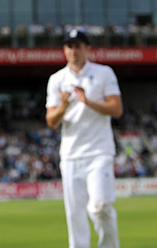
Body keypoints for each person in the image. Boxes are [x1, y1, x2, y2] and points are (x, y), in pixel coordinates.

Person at [45, 28, 122, 248]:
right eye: (70, 46)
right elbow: (51, 120)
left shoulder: (103, 73)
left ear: (87, 48)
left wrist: (88, 102)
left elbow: (116, 109)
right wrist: (64, 105)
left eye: (78, 46)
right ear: (64, 50)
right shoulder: (57, 79)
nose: (74, 51)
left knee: (101, 206)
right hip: (70, 155)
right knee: (75, 216)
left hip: (99, 152)